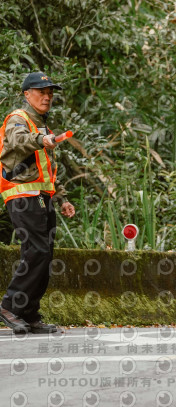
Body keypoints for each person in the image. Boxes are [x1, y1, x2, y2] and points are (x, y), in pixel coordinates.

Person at [0, 72, 76, 334]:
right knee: (37, 251)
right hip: (22, 195)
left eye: (50, 93)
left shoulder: (43, 127)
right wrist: (40, 140)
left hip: (43, 196)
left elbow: (48, 168)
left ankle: (29, 313)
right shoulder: (18, 119)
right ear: (27, 94)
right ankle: (9, 306)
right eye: (41, 92)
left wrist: (61, 198)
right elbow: (18, 140)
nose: (47, 97)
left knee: (45, 254)